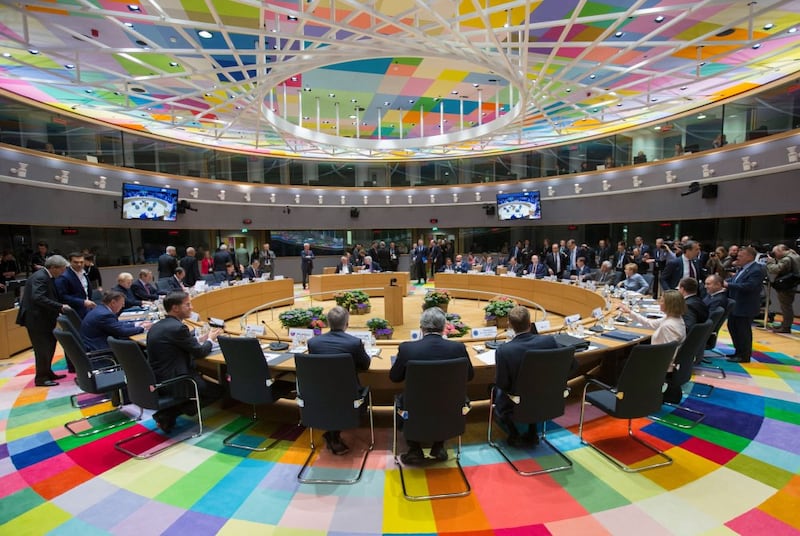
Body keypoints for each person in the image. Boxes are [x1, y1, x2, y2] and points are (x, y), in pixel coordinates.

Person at [389, 307, 473, 464]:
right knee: (444, 398)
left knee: (404, 400)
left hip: (416, 408)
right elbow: (469, 376)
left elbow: (394, 378)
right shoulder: (458, 348)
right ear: (443, 328)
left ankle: (414, 448)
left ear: (421, 328)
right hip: (449, 407)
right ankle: (439, 445)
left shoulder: (407, 349)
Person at [146, 291, 222, 433]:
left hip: (158, 377)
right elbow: (199, 352)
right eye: (187, 305)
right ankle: (168, 414)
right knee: (220, 391)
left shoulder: (158, 325)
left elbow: (179, 344)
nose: (191, 307)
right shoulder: (178, 328)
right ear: (175, 308)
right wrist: (211, 340)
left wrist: (201, 340)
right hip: (177, 380)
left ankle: (168, 413)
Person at [494, 306, 565, 447]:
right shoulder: (549, 341)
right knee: (534, 385)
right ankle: (532, 431)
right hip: (547, 398)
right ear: (530, 323)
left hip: (519, 403)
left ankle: (514, 433)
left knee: (497, 390)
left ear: (510, 325)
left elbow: (502, 383)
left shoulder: (504, 350)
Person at [306, 306, 371, 455]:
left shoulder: (313, 343)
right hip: (348, 398)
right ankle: (333, 435)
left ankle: (332, 433)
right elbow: (365, 365)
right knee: (341, 391)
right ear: (347, 324)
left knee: (331, 390)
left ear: (327, 324)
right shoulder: (354, 343)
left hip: (319, 395)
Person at [16, 255, 71, 386]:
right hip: (37, 320)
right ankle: (41, 378)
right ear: (53, 267)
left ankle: (47, 372)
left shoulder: (46, 276)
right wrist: (59, 306)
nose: (63, 272)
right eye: (62, 269)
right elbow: (38, 297)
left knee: (50, 346)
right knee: (42, 349)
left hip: (44, 319)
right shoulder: (40, 277)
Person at [723, 246, 766, 363]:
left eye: (741, 256)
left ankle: (744, 355)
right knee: (733, 328)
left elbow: (749, 286)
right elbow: (736, 281)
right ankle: (738, 352)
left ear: (749, 257)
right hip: (736, 305)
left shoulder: (756, 270)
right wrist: (725, 282)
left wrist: (728, 285)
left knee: (743, 332)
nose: (738, 258)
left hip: (746, 306)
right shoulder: (743, 268)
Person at [80, 290, 150, 351]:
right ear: (113, 302)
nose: (123, 306)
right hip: (101, 349)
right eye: (122, 303)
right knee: (139, 346)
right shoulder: (105, 315)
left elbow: (117, 325)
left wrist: (137, 324)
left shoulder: (101, 309)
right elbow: (122, 332)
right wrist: (143, 328)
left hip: (94, 343)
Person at [765, 244, 799, 333]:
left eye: (775, 252)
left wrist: (770, 261)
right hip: (791, 284)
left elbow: (775, 269)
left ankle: (786, 327)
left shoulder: (787, 259)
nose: (774, 254)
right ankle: (785, 324)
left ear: (781, 250)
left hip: (786, 286)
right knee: (787, 306)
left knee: (786, 306)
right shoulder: (795, 255)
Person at [55, 252, 96, 319]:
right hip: (75, 311)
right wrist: (82, 302)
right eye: (76, 262)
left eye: (81, 262)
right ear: (70, 262)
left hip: (87, 309)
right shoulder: (64, 276)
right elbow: (62, 297)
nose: (79, 264)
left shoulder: (84, 273)